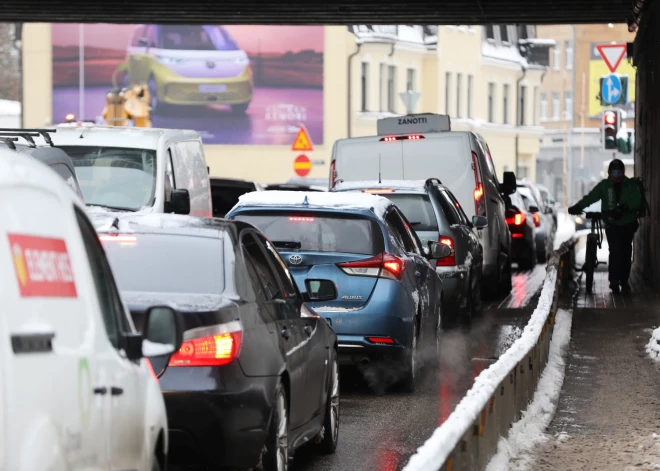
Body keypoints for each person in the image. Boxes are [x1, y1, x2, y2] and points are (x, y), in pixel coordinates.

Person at [568, 159, 643, 294]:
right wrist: (578, 206)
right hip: (612, 224)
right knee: (614, 251)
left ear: (623, 172)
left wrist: (625, 208)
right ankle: (614, 282)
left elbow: (637, 201)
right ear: (609, 173)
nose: (616, 175)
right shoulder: (604, 186)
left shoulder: (630, 185)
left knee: (626, 252)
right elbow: (591, 197)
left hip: (627, 224)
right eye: (614, 172)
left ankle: (624, 282)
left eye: (619, 172)